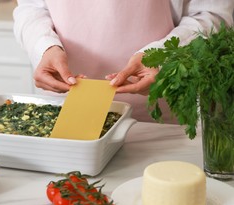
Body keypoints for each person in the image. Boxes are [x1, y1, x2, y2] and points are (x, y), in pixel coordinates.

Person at [13, 0, 234, 123]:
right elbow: (31, 8)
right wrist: (44, 47)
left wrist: (161, 57)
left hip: (155, 115)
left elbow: (211, 15)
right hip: (63, 109)